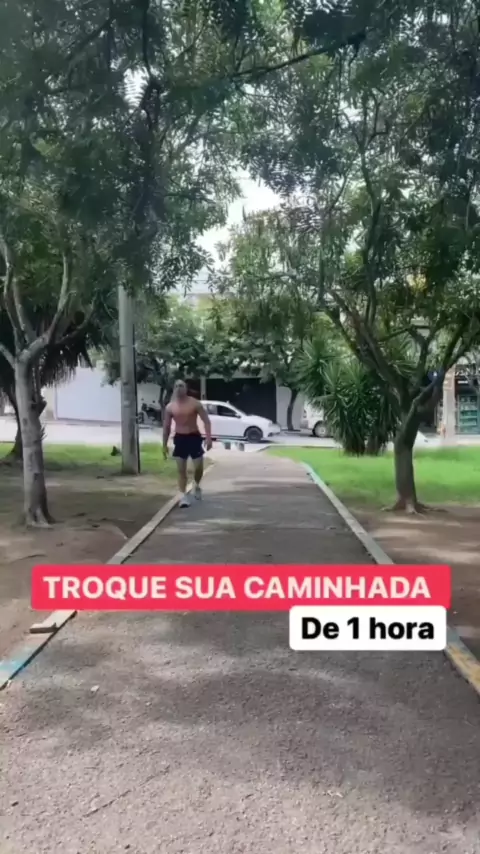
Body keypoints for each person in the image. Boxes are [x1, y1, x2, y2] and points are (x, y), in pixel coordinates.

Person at [162, 380, 212, 507]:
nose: (179, 388)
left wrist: (208, 438)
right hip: (180, 439)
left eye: (181, 386)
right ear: (174, 389)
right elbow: (166, 427)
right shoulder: (170, 407)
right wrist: (164, 445)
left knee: (199, 467)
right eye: (176, 386)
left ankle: (196, 484)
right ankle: (183, 496)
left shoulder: (195, 403)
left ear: (186, 388)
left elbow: (206, 420)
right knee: (181, 470)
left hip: (194, 437)